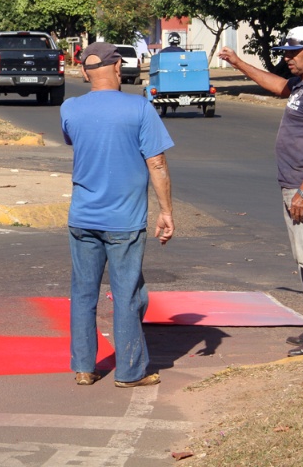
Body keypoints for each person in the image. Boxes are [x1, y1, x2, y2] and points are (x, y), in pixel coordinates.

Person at [218, 26, 303, 356]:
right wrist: (238, 62)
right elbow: (276, 86)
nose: (286, 58)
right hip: (297, 187)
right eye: (285, 53)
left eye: (293, 52)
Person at [61, 42, 175, 387]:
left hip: (82, 218)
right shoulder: (139, 108)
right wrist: (166, 211)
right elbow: (156, 162)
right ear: (118, 67)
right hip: (124, 221)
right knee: (127, 294)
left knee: (83, 292)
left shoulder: (70, 108)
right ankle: (129, 371)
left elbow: (74, 142)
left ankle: (84, 367)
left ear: (83, 72)